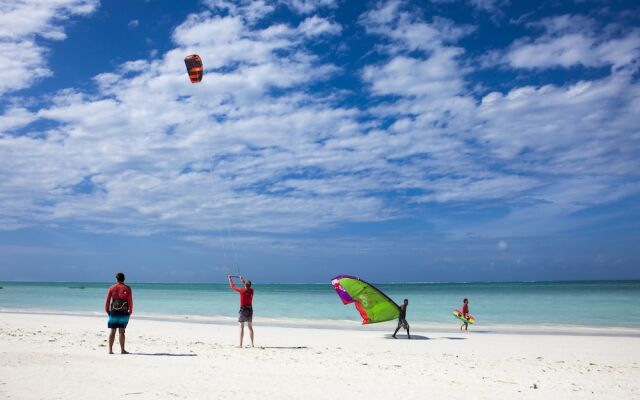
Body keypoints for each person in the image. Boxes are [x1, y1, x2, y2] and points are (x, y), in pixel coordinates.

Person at [105, 272, 133, 354]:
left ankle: (110, 350)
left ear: (116, 279)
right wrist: (130, 310)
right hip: (123, 312)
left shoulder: (112, 288)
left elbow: (107, 301)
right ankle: (122, 350)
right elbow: (130, 301)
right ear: (124, 279)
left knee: (112, 331)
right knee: (122, 331)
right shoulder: (127, 288)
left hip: (113, 311)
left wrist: (107, 311)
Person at [228, 275, 254, 347]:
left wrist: (230, 279)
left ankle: (240, 345)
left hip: (243, 310)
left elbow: (232, 286)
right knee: (250, 327)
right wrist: (242, 279)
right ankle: (252, 344)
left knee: (241, 327)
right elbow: (247, 285)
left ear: (245, 284)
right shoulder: (252, 290)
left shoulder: (241, 290)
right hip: (250, 310)